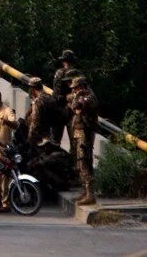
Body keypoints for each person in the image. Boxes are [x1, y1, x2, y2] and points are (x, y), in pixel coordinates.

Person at [70, 76, 99, 206]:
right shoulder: (84, 96)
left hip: (85, 133)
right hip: (79, 132)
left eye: (76, 88)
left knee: (85, 163)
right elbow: (74, 108)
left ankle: (90, 194)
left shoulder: (89, 97)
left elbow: (76, 106)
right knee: (80, 163)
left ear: (82, 87)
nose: (74, 91)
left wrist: (77, 97)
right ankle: (85, 192)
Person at [51, 49, 80, 145]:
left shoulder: (59, 73)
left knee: (55, 141)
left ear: (63, 61)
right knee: (74, 143)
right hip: (72, 110)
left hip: (59, 109)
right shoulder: (77, 75)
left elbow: (56, 92)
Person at [26, 76, 57, 144]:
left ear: (32, 88)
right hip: (49, 135)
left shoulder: (38, 102)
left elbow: (35, 122)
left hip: (38, 137)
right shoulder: (50, 98)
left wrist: (30, 138)